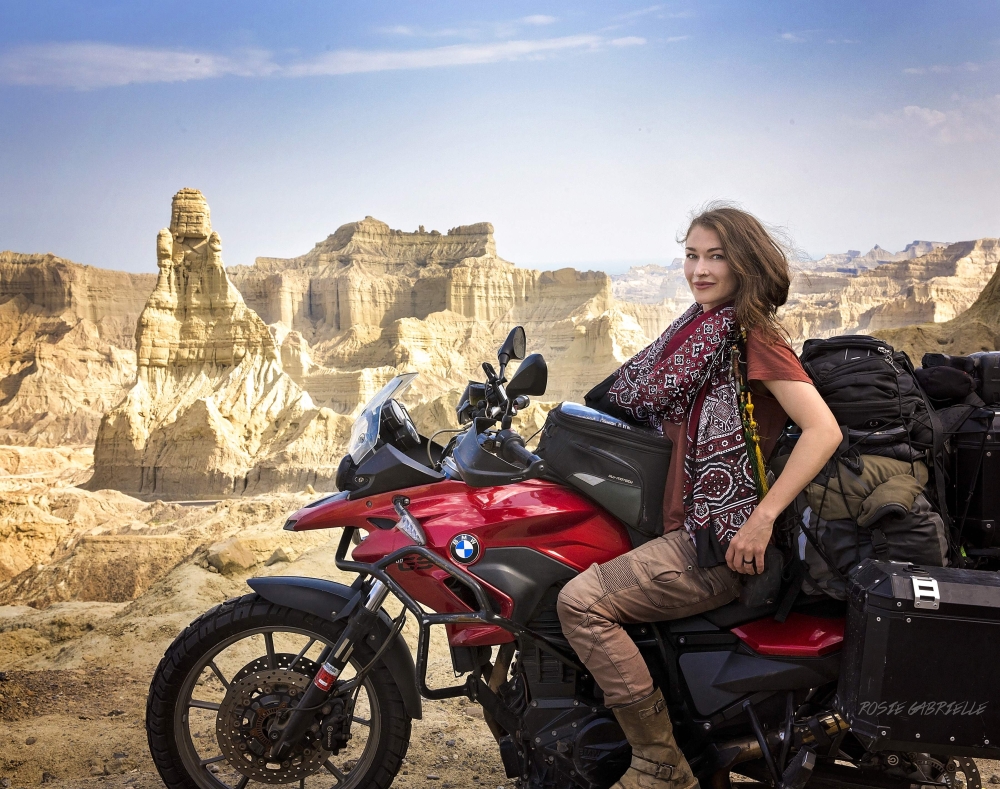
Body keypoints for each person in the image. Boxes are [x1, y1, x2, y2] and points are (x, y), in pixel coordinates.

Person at [557, 205, 842, 789]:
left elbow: (824, 431)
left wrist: (761, 519)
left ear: (746, 262)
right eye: (691, 255)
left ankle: (659, 761)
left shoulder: (749, 335)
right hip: (688, 529)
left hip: (719, 543)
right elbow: (628, 400)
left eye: (717, 256)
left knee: (581, 603)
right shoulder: (697, 332)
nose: (700, 269)